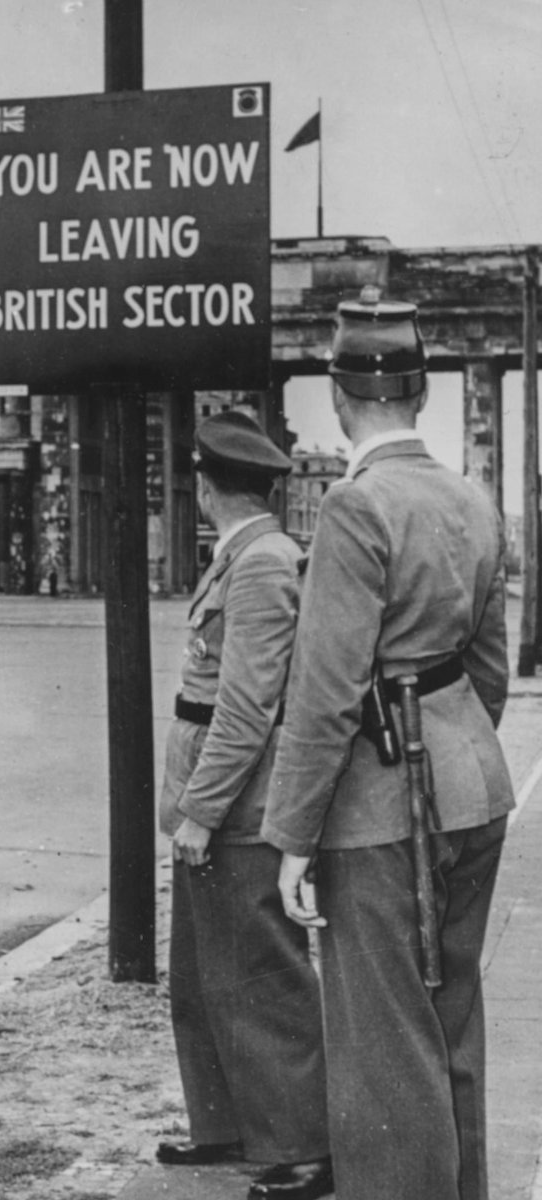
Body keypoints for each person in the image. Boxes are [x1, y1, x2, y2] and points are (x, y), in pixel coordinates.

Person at [261, 292, 514, 1200]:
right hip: (474, 788)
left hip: (380, 809)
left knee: (382, 1048)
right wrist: (449, 744)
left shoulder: (354, 509)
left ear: (339, 395)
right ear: (419, 391)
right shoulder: (472, 499)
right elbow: (489, 669)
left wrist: (291, 836)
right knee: (450, 1022)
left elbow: (324, 693)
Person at [157, 409, 333, 1200]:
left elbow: (246, 708)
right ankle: (225, 1125)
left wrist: (201, 810)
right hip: (212, 797)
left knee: (260, 974)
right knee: (201, 976)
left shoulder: (261, 564)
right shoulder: (244, 554)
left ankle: (302, 1144)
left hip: (238, 805)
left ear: (203, 486)